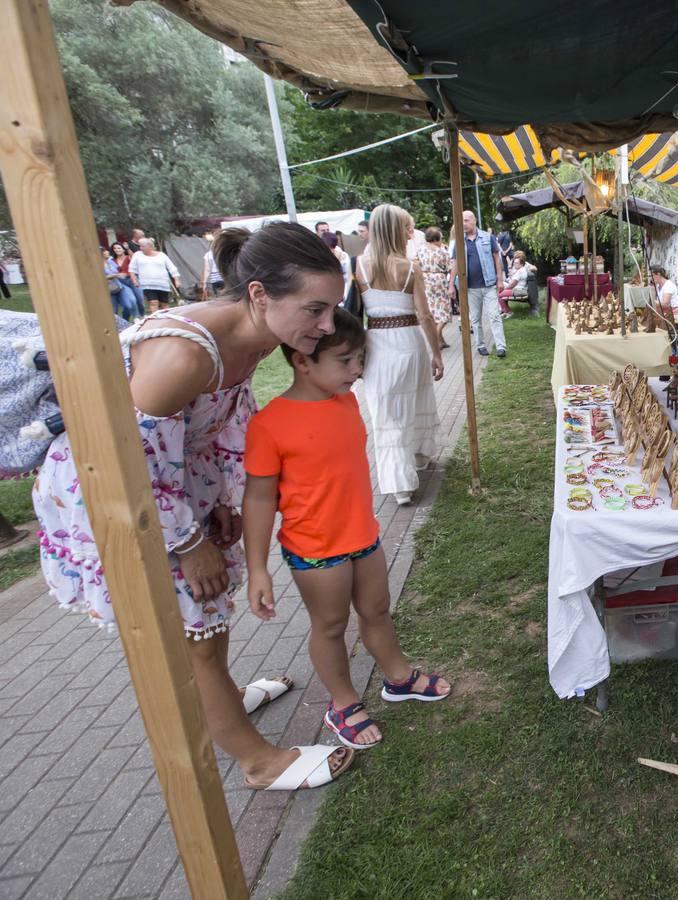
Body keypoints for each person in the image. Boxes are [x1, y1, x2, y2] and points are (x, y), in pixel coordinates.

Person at [34, 223, 357, 790]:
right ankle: (257, 761)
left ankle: (225, 699)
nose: (327, 326)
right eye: (315, 310)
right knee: (195, 633)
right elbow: (128, 460)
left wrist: (223, 499)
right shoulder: (183, 355)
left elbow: (224, 419)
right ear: (259, 295)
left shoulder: (256, 334)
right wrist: (187, 544)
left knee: (210, 613)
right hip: (124, 496)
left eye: (332, 309)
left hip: (177, 485)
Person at [243, 309, 451, 751]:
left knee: (377, 609)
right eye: (345, 361)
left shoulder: (347, 401)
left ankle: (398, 678)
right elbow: (259, 499)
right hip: (316, 550)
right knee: (331, 625)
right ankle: (343, 703)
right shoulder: (269, 424)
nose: (357, 370)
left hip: (363, 536)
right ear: (302, 360)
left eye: (360, 359)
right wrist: (257, 568)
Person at [352, 203, 444, 505]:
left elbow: (357, 311)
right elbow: (426, 316)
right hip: (408, 342)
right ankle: (417, 457)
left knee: (386, 413)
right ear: (394, 230)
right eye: (407, 227)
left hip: (377, 344)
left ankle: (399, 484)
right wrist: (437, 354)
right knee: (416, 400)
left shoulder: (360, 266)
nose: (410, 233)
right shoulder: (409, 268)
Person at [459, 210, 506, 358]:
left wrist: (500, 280)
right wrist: (451, 285)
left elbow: (497, 260)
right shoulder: (460, 241)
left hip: (489, 285)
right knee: (476, 319)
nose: (464, 224)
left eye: (466, 220)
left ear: (474, 221)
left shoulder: (487, 237)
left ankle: (500, 347)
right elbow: (455, 263)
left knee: (495, 316)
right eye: (462, 221)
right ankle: (480, 345)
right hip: (471, 288)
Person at [415, 226, 456, 345]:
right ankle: (436, 337)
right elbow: (449, 267)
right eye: (441, 238)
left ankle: (441, 340)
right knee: (444, 311)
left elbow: (416, 263)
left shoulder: (421, 249)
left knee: (433, 309)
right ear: (436, 239)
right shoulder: (442, 250)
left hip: (425, 280)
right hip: (439, 280)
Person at [128, 237, 180, 312]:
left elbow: (172, 268)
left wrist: (176, 280)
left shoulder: (161, 255)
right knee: (153, 302)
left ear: (149, 246)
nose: (141, 248)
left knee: (164, 303)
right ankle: (155, 318)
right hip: (147, 283)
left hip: (162, 283)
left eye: (143, 246)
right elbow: (132, 269)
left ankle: (167, 317)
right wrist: (134, 280)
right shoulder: (137, 255)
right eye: (140, 246)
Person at [103, 248, 138, 319]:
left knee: (128, 306)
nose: (107, 252)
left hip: (119, 287)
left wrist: (121, 274)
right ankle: (117, 328)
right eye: (104, 251)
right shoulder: (96, 265)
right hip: (109, 291)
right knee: (114, 311)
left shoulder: (110, 262)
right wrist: (115, 275)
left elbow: (117, 271)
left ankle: (125, 322)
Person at [321, 232, 352, 298]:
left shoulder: (344, 256)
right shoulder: (320, 256)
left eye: (333, 247)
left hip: (344, 289)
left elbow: (348, 275)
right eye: (329, 247)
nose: (332, 250)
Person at [199, 232, 226, 298]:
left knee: (218, 298)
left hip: (214, 280)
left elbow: (207, 269)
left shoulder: (208, 255)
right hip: (224, 278)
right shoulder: (223, 252)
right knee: (227, 297)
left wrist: (204, 283)